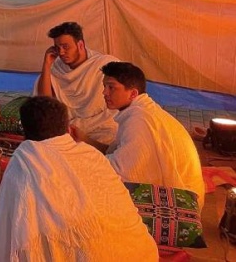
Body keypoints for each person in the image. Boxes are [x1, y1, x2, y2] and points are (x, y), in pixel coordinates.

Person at [0, 96, 158, 261]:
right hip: (141, 253)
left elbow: (7, 229)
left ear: (24, 133)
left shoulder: (25, 158)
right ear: (67, 128)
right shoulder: (91, 154)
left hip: (89, 253)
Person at [73, 62, 205, 208]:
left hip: (183, 202)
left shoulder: (141, 119)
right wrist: (83, 138)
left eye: (111, 87)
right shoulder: (140, 111)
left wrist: (77, 160)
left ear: (133, 93)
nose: (104, 92)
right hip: (186, 195)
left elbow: (123, 172)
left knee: (85, 192)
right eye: (104, 86)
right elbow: (116, 151)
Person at [34, 22, 119, 145]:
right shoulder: (55, 68)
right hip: (68, 127)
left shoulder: (104, 63)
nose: (61, 52)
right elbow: (45, 102)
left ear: (80, 45)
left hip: (99, 125)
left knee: (111, 137)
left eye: (65, 47)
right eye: (57, 48)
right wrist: (46, 65)